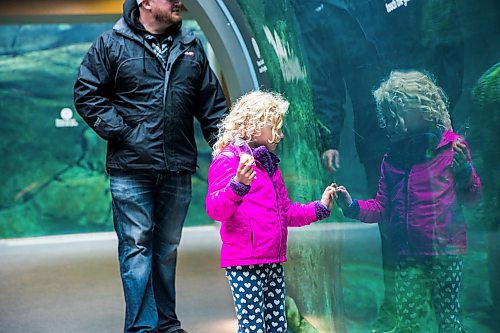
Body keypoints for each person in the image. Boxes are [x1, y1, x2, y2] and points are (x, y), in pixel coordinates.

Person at [290, 2, 465, 331]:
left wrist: (443, 110)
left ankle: (443, 308)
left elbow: (444, 36)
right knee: (394, 223)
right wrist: (328, 136)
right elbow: (325, 72)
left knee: (441, 212)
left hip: (430, 126)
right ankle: (399, 306)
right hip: (379, 135)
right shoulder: (326, 8)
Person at [73, 0, 227, 332]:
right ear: (145, 2)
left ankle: (167, 324)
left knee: (166, 250)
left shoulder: (191, 47)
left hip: (177, 167)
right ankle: (143, 328)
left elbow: (213, 107)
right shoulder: (110, 43)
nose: (179, 3)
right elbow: (86, 93)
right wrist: (125, 133)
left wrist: (226, 149)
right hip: (130, 169)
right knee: (137, 249)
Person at [334, 70, 482, 333]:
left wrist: (464, 172)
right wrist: (352, 206)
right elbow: (381, 207)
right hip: (409, 255)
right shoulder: (392, 158)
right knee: (409, 325)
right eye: (387, 116)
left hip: (447, 253)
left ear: (419, 108)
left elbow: (472, 199)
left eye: (394, 113)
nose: (389, 122)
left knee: (449, 322)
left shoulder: (453, 149)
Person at [205, 90, 336, 333]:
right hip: (244, 263)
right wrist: (237, 186)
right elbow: (215, 209)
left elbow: (285, 213)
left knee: (278, 326)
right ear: (255, 125)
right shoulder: (228, 160)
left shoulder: (269, 164)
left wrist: (319, 208)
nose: (281, 133)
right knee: (253, 327)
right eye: (276, 126)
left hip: (273, 260)